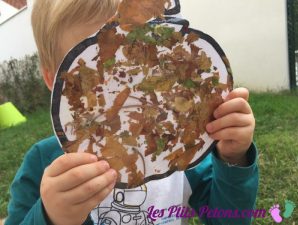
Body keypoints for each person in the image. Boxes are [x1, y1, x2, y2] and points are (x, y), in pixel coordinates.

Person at [5, 0, 258, 225]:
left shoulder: (182, 154)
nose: (127, 90)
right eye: (97, 74)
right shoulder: (41, 163)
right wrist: (50, 216)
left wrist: (233, 159)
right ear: (54, 81)